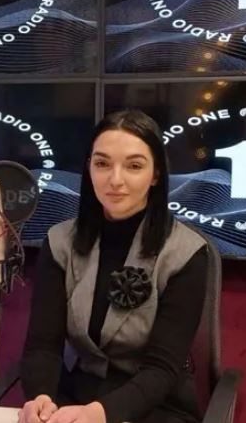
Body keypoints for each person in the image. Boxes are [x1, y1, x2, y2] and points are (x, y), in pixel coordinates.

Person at [19, 110, 209, 423]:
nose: (115, 180)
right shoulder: (59, 241)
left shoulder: (186, 253)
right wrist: (40, 397)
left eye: (134, 166)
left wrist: (101, 413)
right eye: (102, 164)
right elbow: (43, 345)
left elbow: (161, 370)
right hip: (76, 398)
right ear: (89, 169)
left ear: (156, 174)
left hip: (156, 406)